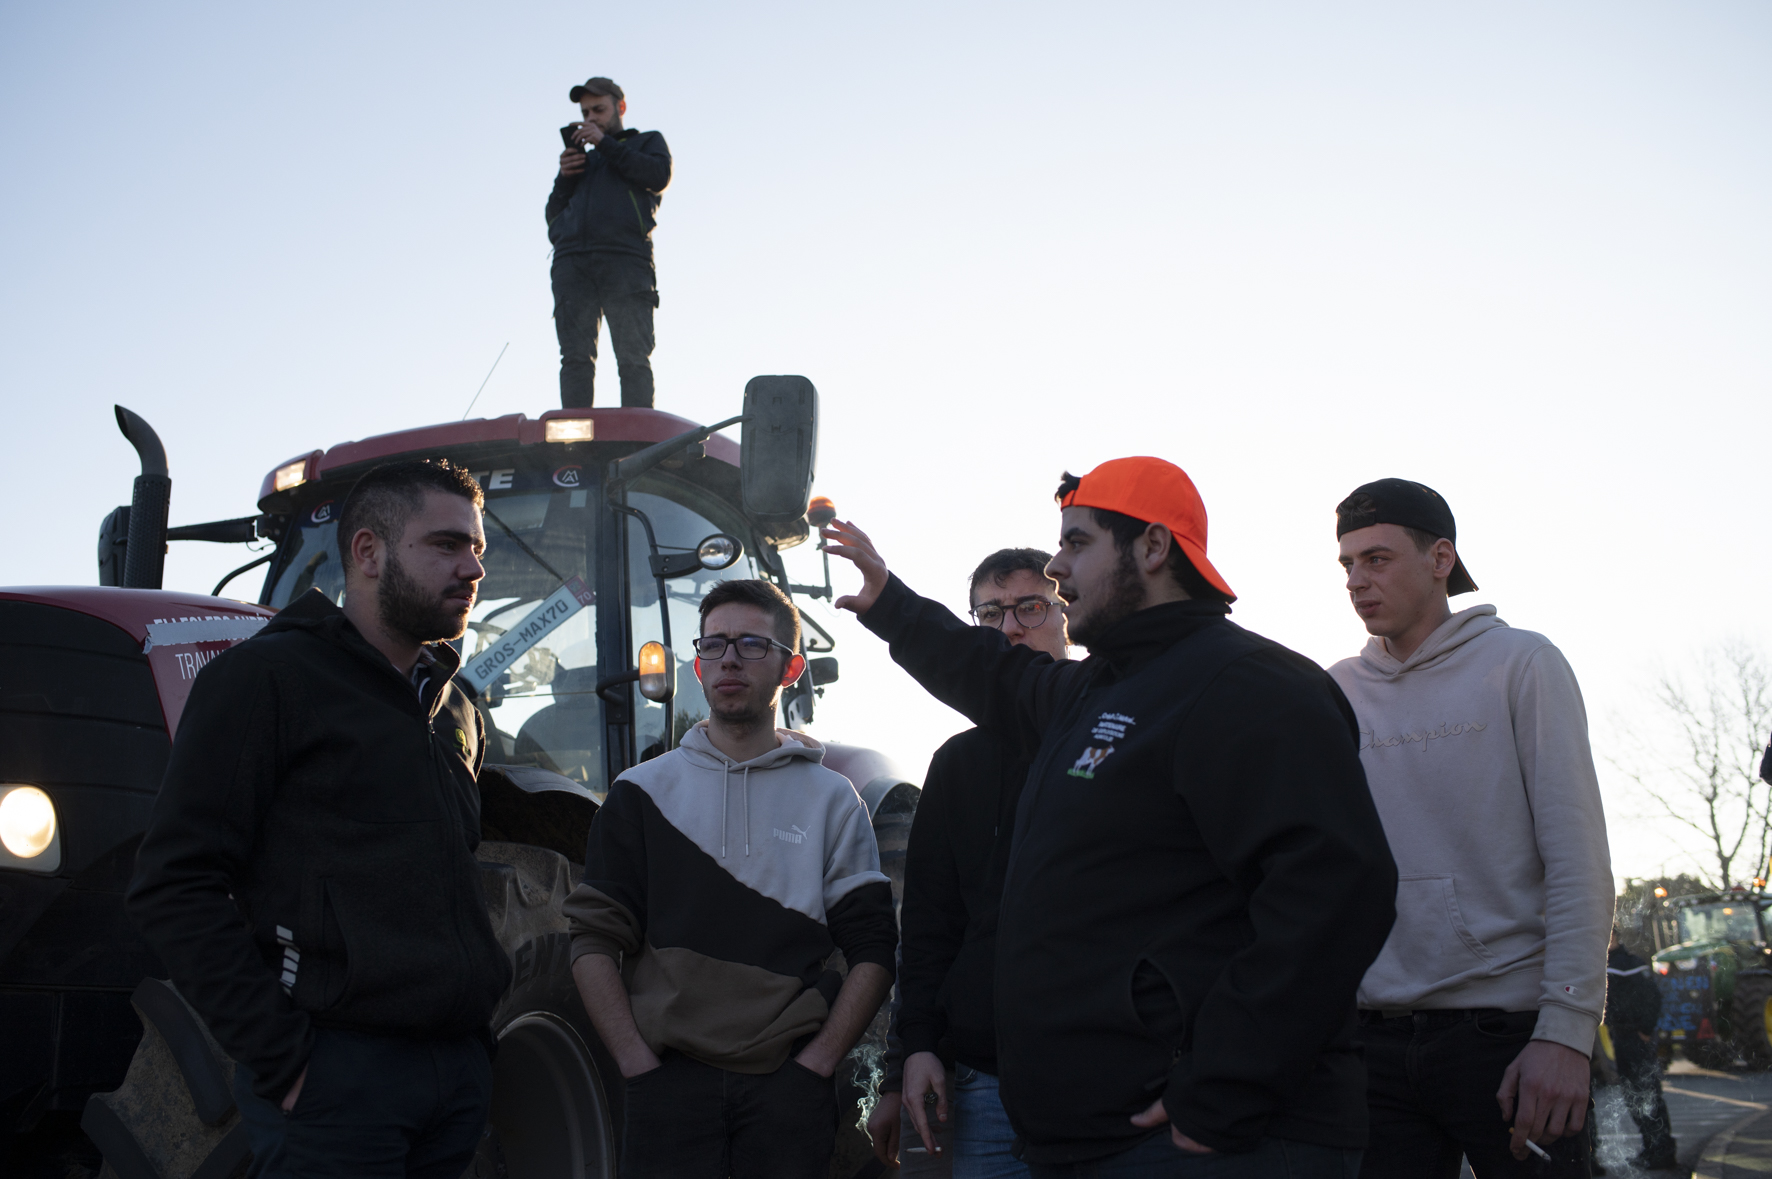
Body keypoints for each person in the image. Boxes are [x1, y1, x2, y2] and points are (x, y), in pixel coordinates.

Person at [825, 456, 1399, 1177]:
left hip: (1218, 1141)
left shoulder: (1251, 684)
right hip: (1102, 1138)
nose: (1058, 566)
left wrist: (1224, 1081)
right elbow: (995, 674)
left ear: (1154, 547)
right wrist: (891, 604)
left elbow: (1338, 894)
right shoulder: (1093, 693)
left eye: (1077, 542)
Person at [127, 459, 510, 1176]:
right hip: (338, 1080)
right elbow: (173, 882)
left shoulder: (456, 710)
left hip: (454, 1075)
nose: (473, 568)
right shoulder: (265, 680)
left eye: (477, 549)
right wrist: (286, 1060)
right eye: (447, 545)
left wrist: (471, 1058)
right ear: (368, 552)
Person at [564, 579, 898, 1178]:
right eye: (714, 645)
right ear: (697, 663)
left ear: (791, 666)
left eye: (750, 645)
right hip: (667, 1085)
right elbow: (592, 941)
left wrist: (818, 1064)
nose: (729, 660)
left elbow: (873, 949)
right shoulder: (641, 793)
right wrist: (636, 1064)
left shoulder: (833, 799)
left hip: (787, 1090)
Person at [1329, 477, 1614, 1177]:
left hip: (1510, 1038)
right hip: (1375, 1043)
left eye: (1377, 558)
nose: (1357, 581)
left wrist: (1568, 1034)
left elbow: (1579, 859)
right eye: (1347, 564)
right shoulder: (1333, 690)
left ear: (1441, 559)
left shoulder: (1521, 663)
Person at [867, 548, 1071, 1176]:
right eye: (990, 613)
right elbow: (929, 924)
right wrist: (915, 1052)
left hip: (1113, 1080)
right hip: (987, 1083)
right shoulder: (956, 764)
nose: (1010, 627)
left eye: (1029, 607)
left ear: (1068, 613)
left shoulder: (1112, 734)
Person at [546, 75, 671, 409]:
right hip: (572, 263)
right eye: (586, 113)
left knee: (633, 357)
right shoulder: (582, 163)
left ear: (621, 107)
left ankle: (637, 445)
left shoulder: (646, 142)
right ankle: (572, 448)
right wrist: (564, 178)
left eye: (598, 110)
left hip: (625, 259)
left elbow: (658, 176)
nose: (590, 119)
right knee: (574, 358)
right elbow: (552, 217)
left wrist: (605, 143)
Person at [1604, 928, 1677, 1171]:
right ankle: (1653, 1149)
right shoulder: (1615, 963)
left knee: (1647, 1095)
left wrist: (1644, 1029)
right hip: (1623, 1038)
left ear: (1613, 937)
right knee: (1636, 1098)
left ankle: (1661, 1153)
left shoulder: (1628, 964)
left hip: (1634, 1039)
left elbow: (1651, 997)